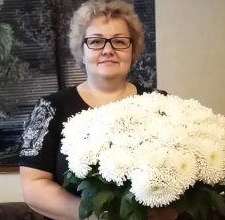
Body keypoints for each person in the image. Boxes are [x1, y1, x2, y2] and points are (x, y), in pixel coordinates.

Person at [19, 0, 177, 219]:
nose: (108, 50)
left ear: (133, 51)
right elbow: (34, 186)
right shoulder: (50, 109)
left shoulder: (162, 103)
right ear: (81, 51)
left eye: (119, 41)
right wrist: (98, 217)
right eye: (96, 41)